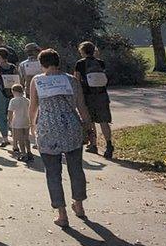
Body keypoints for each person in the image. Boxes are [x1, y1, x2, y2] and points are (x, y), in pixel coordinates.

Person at [30, 48, 90, 227]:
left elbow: (33, 106)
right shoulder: (71, 80)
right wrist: (87, 126)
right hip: (71, 127)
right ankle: (79, 206)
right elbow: (81, 106)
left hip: (48, 130)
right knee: (76, 169)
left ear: (42, 64)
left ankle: (62, 213)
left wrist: (32, 126)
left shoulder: (37, 81)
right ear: (58, 61)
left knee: (53, 173)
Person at [74, 41, 114, 159]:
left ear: (82, 51)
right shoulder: (101, 63)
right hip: (102, 95)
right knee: (104, 121)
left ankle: (93, 144)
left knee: (90, 120)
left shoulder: (80, 64)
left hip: (88, 95)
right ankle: (109, 144)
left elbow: (76, 80)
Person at [8, 84, 33, 161]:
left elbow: (10, 112)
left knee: (20, 139)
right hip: (26, 121)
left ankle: (23, 153)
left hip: (17, 122)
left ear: (14, 91)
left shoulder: (13, 100)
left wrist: (10, 121)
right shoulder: (27, 100)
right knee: (26, 138)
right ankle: (29, 152)